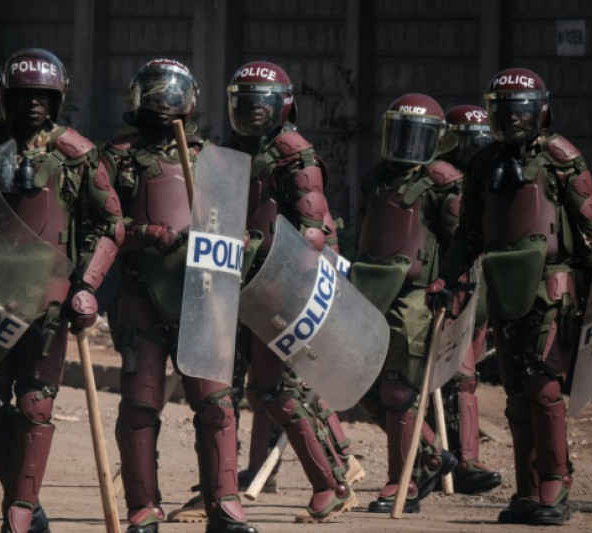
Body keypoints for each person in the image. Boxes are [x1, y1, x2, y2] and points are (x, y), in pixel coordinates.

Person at [0, 48, 124, 533]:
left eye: (42, 96)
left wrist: (87, 285)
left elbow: (110, 224)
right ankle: (26, 500)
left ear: (57, 99)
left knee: (35, 403)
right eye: (22, 96)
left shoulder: (77, 154)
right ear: (5, 97)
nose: (32, 105)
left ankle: (19, 517)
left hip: (48, 299)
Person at [432, 68, 592, 525]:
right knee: (515, 391)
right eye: (502, 110)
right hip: (503, 284)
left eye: (519, 110)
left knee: (545, 387)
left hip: (554, 286)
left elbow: (591, 234)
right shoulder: (483, 163)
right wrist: (447, 279)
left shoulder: (561, 160)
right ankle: (528, 489)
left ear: (540, 111)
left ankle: (555, 484)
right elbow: (469, 232)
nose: (510, 118)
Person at [102, 58, 258, 533]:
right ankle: (143, 508)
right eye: (154, 94)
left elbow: (235, 230)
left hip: (201, 294)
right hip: (138, 292)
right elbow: (98, 226)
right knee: (140, 403)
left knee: (216, 402)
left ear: (190, 104)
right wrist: (144, 232)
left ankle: (225, 505)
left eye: (172, 95)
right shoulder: (117, 158)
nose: (163, 103)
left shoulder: (215, 159)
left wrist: (241, 243)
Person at [221, 60, 358, 523]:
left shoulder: (293, 154)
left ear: (283, 106)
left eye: (262, 104)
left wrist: (251, 244)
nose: (253, 112)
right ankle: (222, 488)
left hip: (282, 286)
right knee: (239, 391)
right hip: (238, 283)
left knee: (277, 390)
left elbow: (311, 233)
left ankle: (331, 483)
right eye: (245, 103)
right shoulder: (233, 150)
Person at [348, 93, 461, 514]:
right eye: (402, 133)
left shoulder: (441, 183)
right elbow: (361, 231)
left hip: (417, 295)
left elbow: (462, 242)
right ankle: (431, 454)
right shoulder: (377, 177)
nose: (408, 145)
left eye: (418, 136)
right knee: (357, 382)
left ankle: (403, 483)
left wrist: (452, 286)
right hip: (370, 289)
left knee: (398, 389)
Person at [433, 105, 502, 495]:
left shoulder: (490, 177)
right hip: (448, 286)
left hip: (479, 286)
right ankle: (454, 460)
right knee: (457, 378)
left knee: (466, 379)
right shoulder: (439, 177)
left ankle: (462, 459)